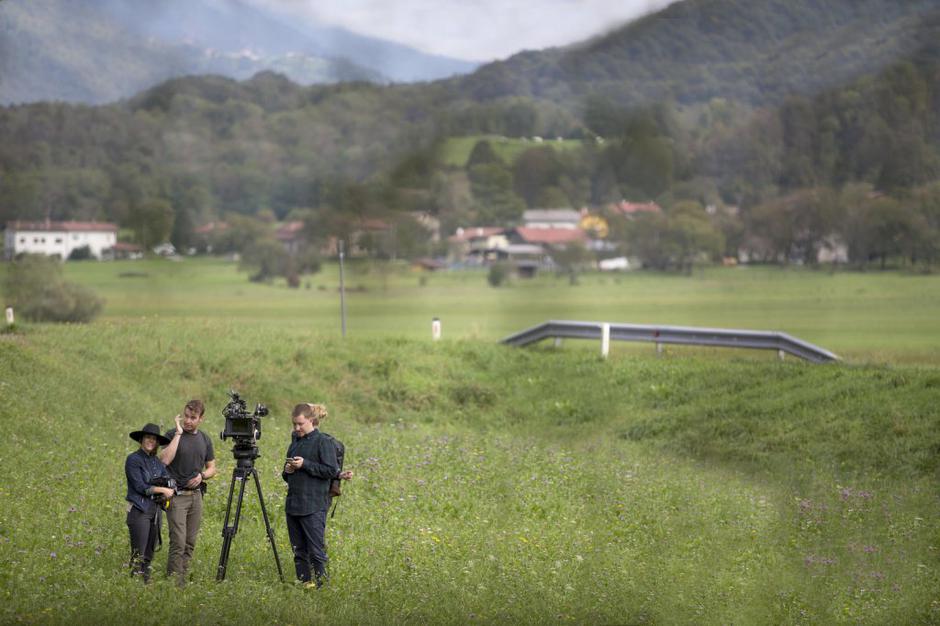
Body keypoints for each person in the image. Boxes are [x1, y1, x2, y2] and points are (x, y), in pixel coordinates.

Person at [283, 403, 353, 588]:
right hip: (293, 504)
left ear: (312, 421)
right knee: (298, 550)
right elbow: (286, 476)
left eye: (300, 424)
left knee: (316, 551)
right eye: (294, 424)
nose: (297, 428)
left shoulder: (324, 442)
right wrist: (288, 469)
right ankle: (304, 583)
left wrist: (305, 464)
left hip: (314, 505)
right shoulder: (295, 441)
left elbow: (331, 470)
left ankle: (322, 587)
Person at [159, 399, 217, 585]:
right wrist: (178, 434)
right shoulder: (172, 434)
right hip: (176, 496)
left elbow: (212, 468)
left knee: (190, 542)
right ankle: (173, 583)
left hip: (196, 497)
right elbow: (164, 460)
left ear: (201, 419)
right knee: (178, 541)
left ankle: (181, 581)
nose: (188, 420)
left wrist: (202, 476)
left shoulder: (205, 439)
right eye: (186, 416)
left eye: (193, 418)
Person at [125, 422, 175, 583]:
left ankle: (144, 585)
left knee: (149, 554)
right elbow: (140, 486)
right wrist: (161, 490)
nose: (150, 441)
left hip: (155, 511)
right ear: (141, 439)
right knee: (138, 554)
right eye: (148, 437)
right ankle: (133, 587)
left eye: (154, 439)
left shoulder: (157, 462)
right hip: (139, 510)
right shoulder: (133, 459)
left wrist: (169, 488)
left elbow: (166, 478)